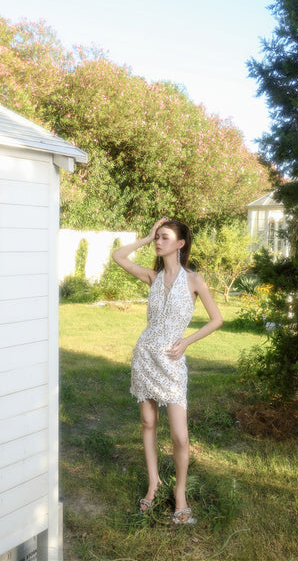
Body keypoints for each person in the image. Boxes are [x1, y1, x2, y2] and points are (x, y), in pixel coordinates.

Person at [112, 217, 223, 524]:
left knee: (180, 436)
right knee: (148, 422)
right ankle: (154, 484)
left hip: (172, 362)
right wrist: (146, 237)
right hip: (145, 356)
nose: (159, 242)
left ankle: (180, 492)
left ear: (180, 244)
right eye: (157, 237)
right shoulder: (153, 277)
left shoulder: (194, 280)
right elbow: (118, 256)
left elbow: (216, 319)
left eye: (164, 237)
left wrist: (186, 342)